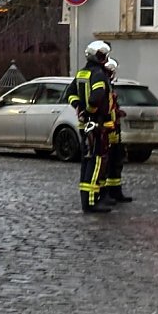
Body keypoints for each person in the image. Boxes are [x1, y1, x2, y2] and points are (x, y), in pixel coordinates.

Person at [66, 40, 113, 213]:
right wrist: (90, 111)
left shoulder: (82, 73)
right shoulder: (98, 74)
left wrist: (79, 107)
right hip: (96, 125)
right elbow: (96, 97)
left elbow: (69, 94)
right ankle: (91, 202)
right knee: (96, 161)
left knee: (87, 161)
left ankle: (88, 199)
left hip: (84, 125)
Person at [102, 57, 133, 203]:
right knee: (106, 161)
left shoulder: (109, 84)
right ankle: (105, 193)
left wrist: (118, 113)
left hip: (114, 127)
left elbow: (111, 105)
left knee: (116, 159)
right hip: (105, 129)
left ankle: (116, 191)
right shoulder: (100, 82)